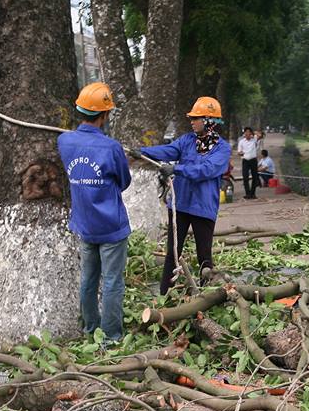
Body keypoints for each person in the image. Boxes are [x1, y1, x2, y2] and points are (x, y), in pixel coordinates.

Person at [56, 81, 132, 343]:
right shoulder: (111, 148)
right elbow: (124, 182)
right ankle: (111, 336)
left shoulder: (64, 141)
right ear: (105, 114)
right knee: (112, 282)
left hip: (85, 225)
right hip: (111, 226)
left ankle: (90, 328)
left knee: (89, 279)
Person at [132, 96, 231, 293]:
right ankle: (165, 295)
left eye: (196, 118)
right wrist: (141, 151)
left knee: (204, 255)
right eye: (192, 118)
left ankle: (206, 296)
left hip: (203, 208)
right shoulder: (187, 140)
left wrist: (177, 169)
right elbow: (167, 150)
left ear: (210, 120)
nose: (192, 122)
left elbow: (206, 170)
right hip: (180, 205)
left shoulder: (223, 149)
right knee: (172, 253)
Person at [236, 126, 259, 199]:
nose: (247, 134)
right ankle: (247, 193)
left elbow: (260, 134)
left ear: (251, 133)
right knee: (245, 177)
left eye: (249, 132)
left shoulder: (254, 140)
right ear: (244, 133)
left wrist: (254, 133)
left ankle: (253, 193)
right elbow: (239, 152)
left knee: (255, 177)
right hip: (245, 160)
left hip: (253, 160)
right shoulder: (241, 141)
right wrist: (240, 153)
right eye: (246, 132)